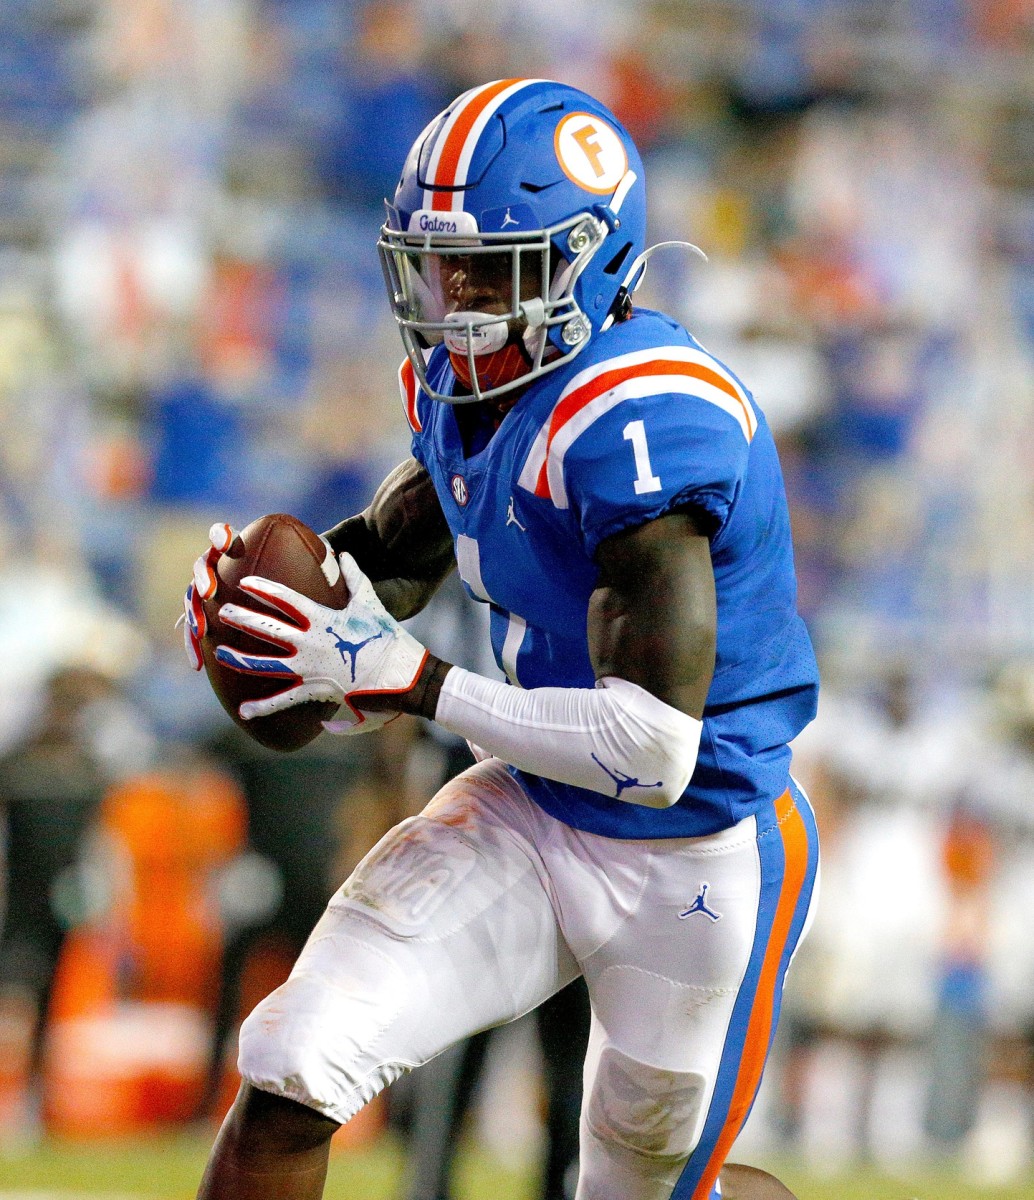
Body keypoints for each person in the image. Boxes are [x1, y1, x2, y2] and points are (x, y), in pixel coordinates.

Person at [185, 79, 820, 1200]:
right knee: (291, 1064)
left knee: (641, 1188)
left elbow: (650, 750)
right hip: (529, 799)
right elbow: (391, 561)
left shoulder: (642, 422)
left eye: (496, 267)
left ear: (590, 260)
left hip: (697, 848)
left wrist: (412, 682)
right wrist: (282, 617)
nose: (456, 297)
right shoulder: (465, 386)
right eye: (441, 264)